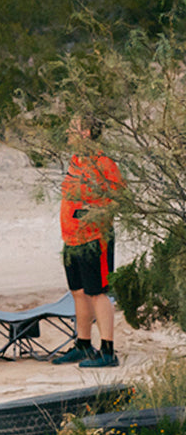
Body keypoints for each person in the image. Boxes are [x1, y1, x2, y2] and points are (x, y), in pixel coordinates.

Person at [52, 118, 125, 368]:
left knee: (98, 292)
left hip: (95, 238)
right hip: (71, 239)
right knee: (79, 292)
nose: (67, 131)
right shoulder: (76, 161)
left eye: (72, 127)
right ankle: (83, 345)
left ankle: (108, 351)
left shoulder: (104, 164)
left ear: (86, 132)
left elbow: (118, 199)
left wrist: (91, 213)